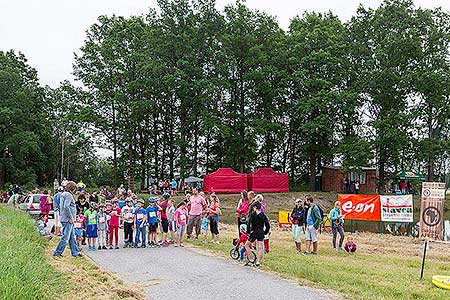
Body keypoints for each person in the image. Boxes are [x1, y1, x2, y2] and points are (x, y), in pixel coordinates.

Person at [53, 181, 81, 258]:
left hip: (64, 218)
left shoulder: (63, 194)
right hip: (68, 219)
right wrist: (71, 218)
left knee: (72, 237)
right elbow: (66, 206)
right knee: (65, 237)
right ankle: (57, 253)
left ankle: (75, 253)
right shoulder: (69, 195)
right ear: (73, 188)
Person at [245, 202, 270, 267]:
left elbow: (249, 224)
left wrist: (248, 231)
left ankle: (251, 259)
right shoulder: (263, 215)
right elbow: (268, 226)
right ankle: (258, 262)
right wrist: (265, 232)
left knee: (247, 245)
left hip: (254, 232)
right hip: (261, 232)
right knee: (260, 248)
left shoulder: (253, 215)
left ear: (255, 207)